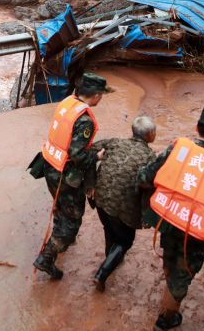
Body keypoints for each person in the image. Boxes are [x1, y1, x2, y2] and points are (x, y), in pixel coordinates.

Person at [137, 107, 204, 331]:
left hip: (167, 220)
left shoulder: (178, 148)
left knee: (170, 256)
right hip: (195, 231)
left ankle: (170, 281)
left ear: (197, 128)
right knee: (184, 272)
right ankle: (166, 319)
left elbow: (148, 175)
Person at [28, 72, 111, 280]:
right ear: (97, 95)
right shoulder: (84, 121)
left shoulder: (67, 103)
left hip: (48, 164)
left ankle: (59, 235)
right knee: (72, 221)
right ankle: (47, 258)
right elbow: (78, 154)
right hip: (64, 173)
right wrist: (98, 155)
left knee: (61, 208)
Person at [86, 116, 157, 291]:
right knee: (125, 240)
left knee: (109, 229)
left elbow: (88, 153)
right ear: (149, 135)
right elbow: (149, 183)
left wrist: (90, 184)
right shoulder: (150, 156)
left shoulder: (115, 142)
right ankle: (102, 274)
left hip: (101, 198)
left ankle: (111, 258)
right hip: (123, 206)